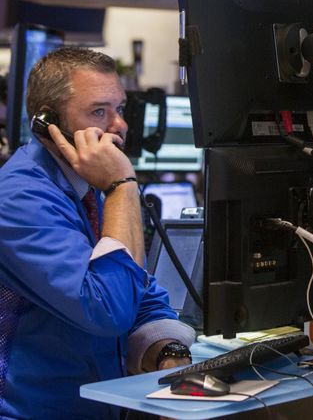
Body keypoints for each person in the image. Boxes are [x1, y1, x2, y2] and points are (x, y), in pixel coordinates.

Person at [0, 47, 195, 418]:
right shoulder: (19, 199)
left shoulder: (89, 186)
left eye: (119, 109)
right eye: (99, 111)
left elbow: (141, 290)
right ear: (48, 122)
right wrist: (123, 186)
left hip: (100, 405)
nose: (119, 124)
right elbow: (108, 310)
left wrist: (168, 350)